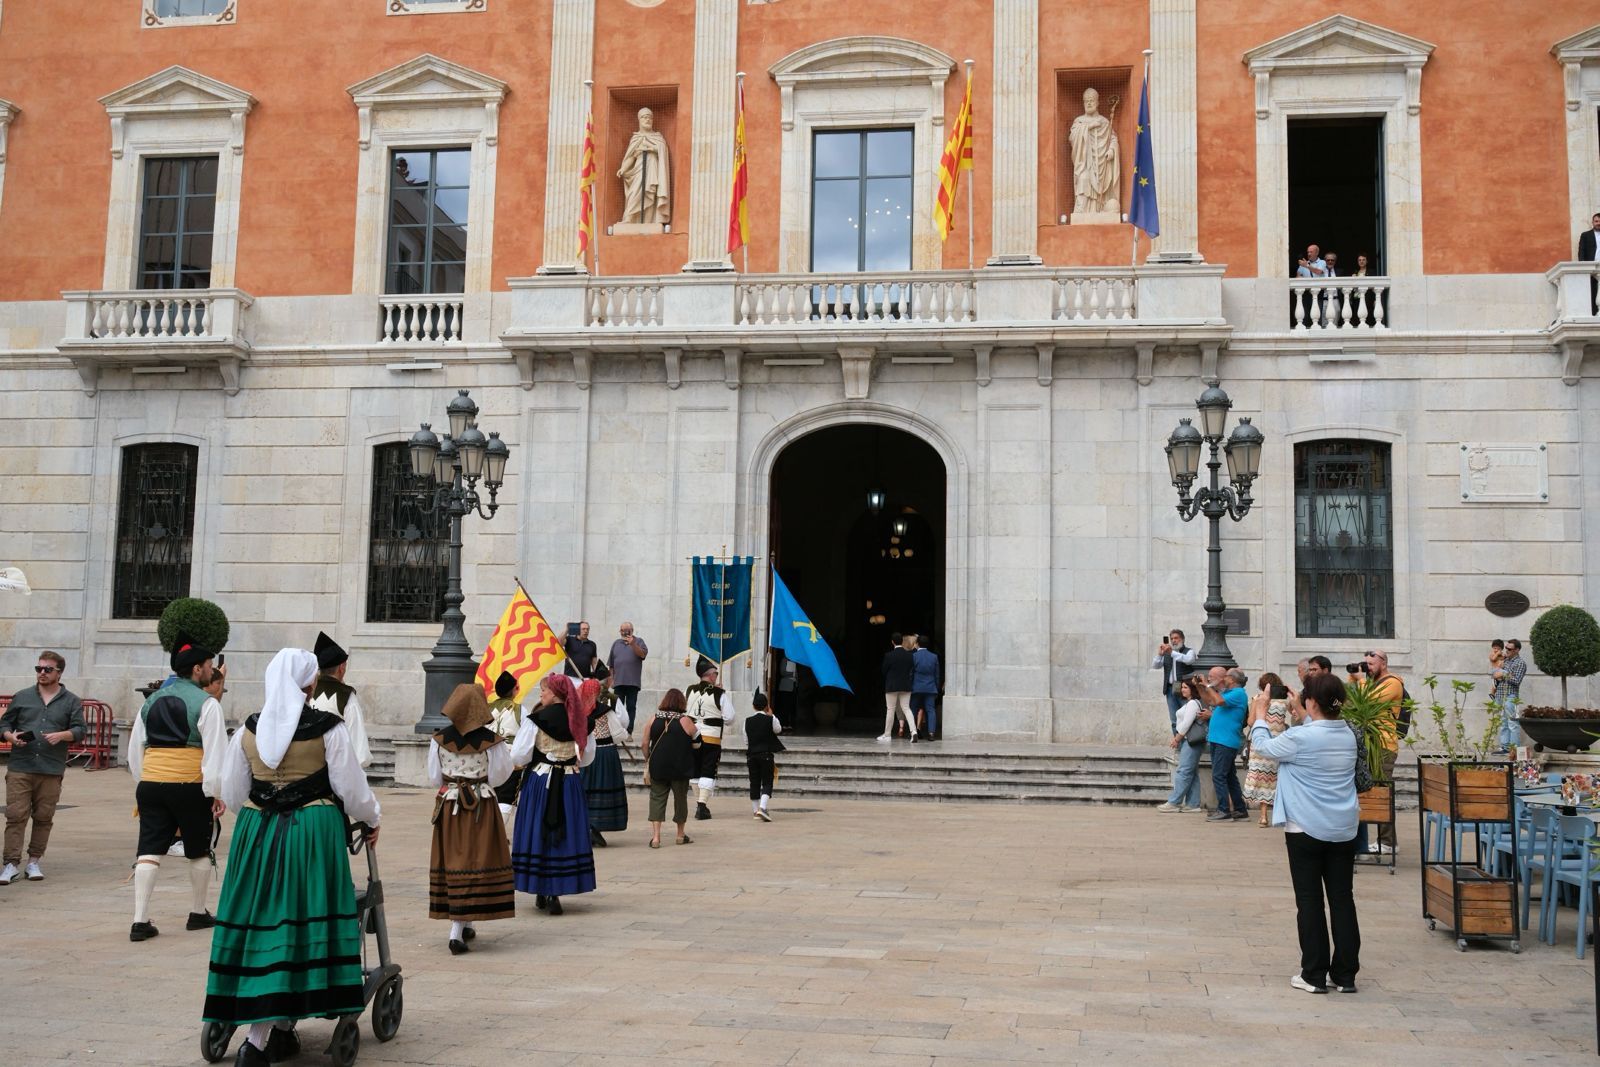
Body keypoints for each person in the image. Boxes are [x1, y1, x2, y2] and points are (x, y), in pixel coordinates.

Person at [202, 647, 381, 1066]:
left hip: (257, 833)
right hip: (311, 833)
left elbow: (233, 793)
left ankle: (272, 1027)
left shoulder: (248, 730)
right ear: (310, 685)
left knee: (262, 920)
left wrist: (266, 801)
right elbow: (351, 789)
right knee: (300, 917)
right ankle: (258, 1041)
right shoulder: (328, 729)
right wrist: (372, 817)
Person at [1248, 672, 1360, 995]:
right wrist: (1302, 711)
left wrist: (1260, 713)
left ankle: (1314, 973)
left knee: (1309, 901)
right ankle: (1345, 975)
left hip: (1305, 829)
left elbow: (1263, 746)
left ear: (1312, 702)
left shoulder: (1300, 738)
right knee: (1342, 899)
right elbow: (1318, 731)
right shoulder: (1348, 734)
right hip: (1343, 828)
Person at [128, 631, 228, 942]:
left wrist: (145, 779)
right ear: (197, 669)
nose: (212, 670)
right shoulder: (207, 704)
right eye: (209, 665)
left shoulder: (150, 701)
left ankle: (139, 921)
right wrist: (215, 791)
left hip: (151, 783)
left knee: (149, 850)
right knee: (198, 850)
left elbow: (135, 748)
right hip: (189, 785)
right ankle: (197, 913)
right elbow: (215, 752)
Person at [427, 683, 515, 955]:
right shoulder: (492, 741)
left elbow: (434, 777)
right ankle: (456, 931)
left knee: (456, 862)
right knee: (477, 861)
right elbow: (501, 774)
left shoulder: (438, 739)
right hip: (481, 805)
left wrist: (455, 783)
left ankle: (464, 924)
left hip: (450, 806)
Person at [510, 673, 597, 916]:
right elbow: (587, 758)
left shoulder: (535, 721)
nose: (541, 694)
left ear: (556, 693)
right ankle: (555, 890)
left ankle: (542, 887)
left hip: (541, 781)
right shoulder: (582, 721)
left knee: (539, 830)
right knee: (565, 831)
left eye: (544, 690)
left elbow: (518, 755)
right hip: (569, 781)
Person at [0, 651, 86, 885]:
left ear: (59, 672)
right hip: (21, 765)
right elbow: (4, 724)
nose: (42, 673)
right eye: (39, 669)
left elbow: (80, 730)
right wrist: (10, 736)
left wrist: (63, 735)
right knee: (15, 815)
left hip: (51, 768)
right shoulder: (22, 696)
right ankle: (10, 864)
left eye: (48, 669)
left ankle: (34, 861)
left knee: (44, 816)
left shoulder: (71, 701)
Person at [1347, 650, 1404, 855]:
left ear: (1384, 664)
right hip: (1366, 744)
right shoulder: (1369, 682)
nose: (1367, 667)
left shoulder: (1393, 682)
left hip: (1383, 746)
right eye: (1366, 664)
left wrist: (1361, 680)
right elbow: (1350, 701)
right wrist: (1352, 679)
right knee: (1369, 793)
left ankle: (1388, 842)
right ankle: (1382, 840)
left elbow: (1370, 701)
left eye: (1371, 664)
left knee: (1381, 793)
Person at [642, 689, 700, 847]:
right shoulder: (685, 721)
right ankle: (680, 835)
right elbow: (698, 743)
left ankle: (656, 838)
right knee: (680, 799)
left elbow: (645, 743)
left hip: (658, 766)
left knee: (656, 799)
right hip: (680, 768)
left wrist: (648, 758)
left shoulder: (653, 719)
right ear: (682, 702)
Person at [308, 631, 371, 769]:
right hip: (335, 770)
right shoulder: (346, 696)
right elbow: (358, 748)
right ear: (341, 668)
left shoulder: (305, 692)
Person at [685, 657, 737, 819]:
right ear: (710, 675)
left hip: (692, 736)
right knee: (708, 769)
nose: (716, 676)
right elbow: (730, 718)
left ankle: (699, 804)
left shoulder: (689, 690)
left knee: (695, 770)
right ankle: (702, 805)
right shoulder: (719, 693)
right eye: (716, 673)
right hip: (711, 738)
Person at [1197, 666, 1250, 823]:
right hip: (1219, 740)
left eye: (1226, 676)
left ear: (1232, 679)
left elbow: (1218, 701)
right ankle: (1240, 810)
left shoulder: (1238, 693)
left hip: (1225, 741)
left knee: (1218, 775)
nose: (1224, 679)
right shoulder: (1228, 693)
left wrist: (1207, 685)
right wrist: (1200, 687)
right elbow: (1209, 700)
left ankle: (1224, 810)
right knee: (1229, 777)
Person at [579, 684, 629, 848]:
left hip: (585, 753)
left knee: (586, 789)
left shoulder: (577, 710)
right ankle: (595, 827)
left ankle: (587, 827)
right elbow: (618, 733)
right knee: (603, 786)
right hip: (604, 754)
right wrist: (624, 735)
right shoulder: (605, 711)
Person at [1243, 673, 1290, 827]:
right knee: (1274, 779)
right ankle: (1280, 814)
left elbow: (1251, 722)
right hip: (1279, 744)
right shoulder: (1284, 702)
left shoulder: (1257, 699)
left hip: (1260, 743)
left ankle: (1263, 817)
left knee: (1262, 780)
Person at [1156, 676, 1207, 813]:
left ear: (1193, 689)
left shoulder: (1193, 703)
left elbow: (1186, 724)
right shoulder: (1191, 703)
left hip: (1191, 741)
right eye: (1182, 687)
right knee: (1192, 773)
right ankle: (1193, 804)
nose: (1182, 690)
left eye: (1185, 687)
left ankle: (1174, 802)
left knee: (1183, 771)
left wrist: (1177, 738)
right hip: (1191, 741)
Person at [616, 107, 671, 225]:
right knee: (634, 192)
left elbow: (663, 151)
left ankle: (649, 222)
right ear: (639, 120)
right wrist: (623, 168)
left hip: (652, 168)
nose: (648, 120)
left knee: (650, 193)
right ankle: (628, 218)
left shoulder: (658, 137)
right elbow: (631, 156)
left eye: (650, 118)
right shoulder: (636, 138)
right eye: (645, 117)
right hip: (639, 170)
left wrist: (651, 149)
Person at [488, 671, 526, 822]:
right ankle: (498, 831)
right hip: (509, 759)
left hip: (488, 756)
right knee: (506, 797)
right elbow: (526, 736)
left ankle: (487, 830)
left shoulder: (486, 708)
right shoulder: (520, 710)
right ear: (515, 690)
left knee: (488, 795)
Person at [744, 690, 784, 821]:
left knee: (754, 782)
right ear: (766, 706)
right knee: (767, 781)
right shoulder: (770, 719)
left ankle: (755, 811)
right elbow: (778, 729)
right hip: (766, 754)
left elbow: (746, 740)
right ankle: (763, 807)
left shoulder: (747, 721)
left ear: (753, 706)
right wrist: (771, 715)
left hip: (751, 755)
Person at [1150, 629, 1198, 734]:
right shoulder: (1167, 654)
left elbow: (1189, 660)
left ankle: (1188, 741)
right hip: (1170, 689)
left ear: (1183, 639)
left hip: (1185, 689)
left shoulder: (1189, 651)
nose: (1173, 641)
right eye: (1171, 639)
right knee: (1174, 720)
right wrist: (1160, 654)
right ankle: (1177, 742)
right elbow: (1155, 666)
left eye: (1176, 638)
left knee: (1187, 718)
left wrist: (1172, 653)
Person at [605, 621, 648, 734]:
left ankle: (629, 732)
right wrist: (611, 679)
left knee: (631, 707)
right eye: (622, 630)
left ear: (632, 631)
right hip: (618, 682)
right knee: (617, 708)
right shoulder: (616, 643)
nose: (624, 632)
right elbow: (611, 664)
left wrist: (632, 643)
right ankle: (618, 732)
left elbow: (642, 654)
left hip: (633, 682)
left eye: (627, 630)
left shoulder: (639, 641)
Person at [878, 634, 917, 744]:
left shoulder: (889, 655)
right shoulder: (910, 656)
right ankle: (914, 731)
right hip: (906, 685)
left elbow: (884, 670)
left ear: (892, 642)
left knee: (890, 709)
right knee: (906, 708)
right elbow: (911, 669)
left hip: (892, 686)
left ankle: (887, 735)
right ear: (902, 642)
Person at [1493, 638, 1528, 751]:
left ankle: (1514, 749)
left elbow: (1517, 680)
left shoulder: (1520, 663)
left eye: (1509, 649)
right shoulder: (1505, 660)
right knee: (1503, 723)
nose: (1506, 650)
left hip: (1511, 696)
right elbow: (1493, 673)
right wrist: (1501, 673)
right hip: (1500, 695)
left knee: (1513, 723)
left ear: (1517, 650)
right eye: (1506, 648)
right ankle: (1505, 747)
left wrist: (1503, 674)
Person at [910, 634, 941, 741]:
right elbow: (937, 675)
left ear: (917, 644)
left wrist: (910, 686)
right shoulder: (934, 657)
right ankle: (931, 733)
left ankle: (913, 732)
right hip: (930, 687)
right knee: (930, 710)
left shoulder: (914, 656)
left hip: (916, 687)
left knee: (913, 710)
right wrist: (936, 688)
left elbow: (911, 673)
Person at [1578, 212, 1600, 314]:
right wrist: (1583, 266)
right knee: (1592, 292)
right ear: (1592, 222)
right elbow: (1581, 251)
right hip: (1591, 268)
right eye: (1596, 221)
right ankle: (1594, 313)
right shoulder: (1585, 235)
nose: (1598, 223)